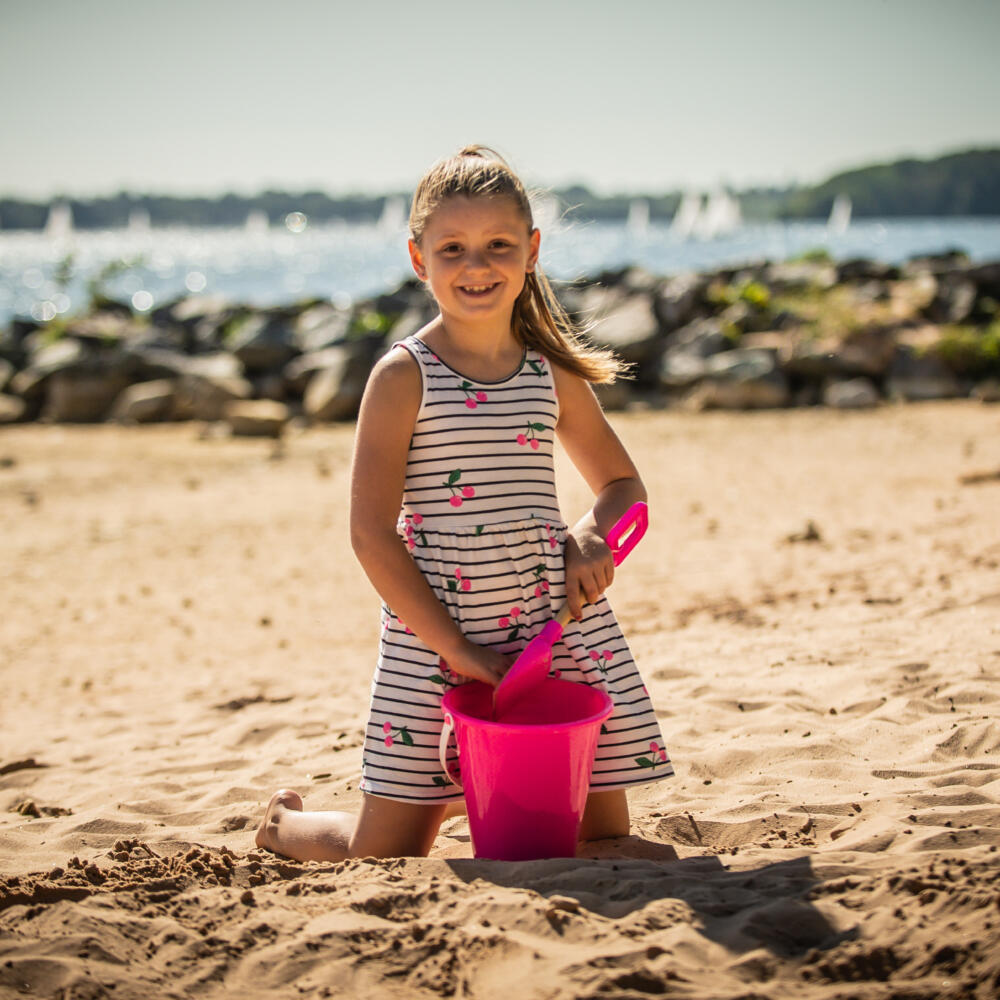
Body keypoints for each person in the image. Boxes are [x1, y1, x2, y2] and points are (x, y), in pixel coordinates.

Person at [255, 146, 673, 861]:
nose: (476, 266)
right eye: (453, 249)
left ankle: (476, 794)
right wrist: (454, 647)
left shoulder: (552, 374)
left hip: (553, 632)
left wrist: (592, 536)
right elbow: (369, 534)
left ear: (532, 251)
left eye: (498, 246)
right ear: (419, 259)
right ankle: (282, 826)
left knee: (601, 837)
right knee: (381, 857)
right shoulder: (403, 376)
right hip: (438, 636)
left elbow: (622, 487)